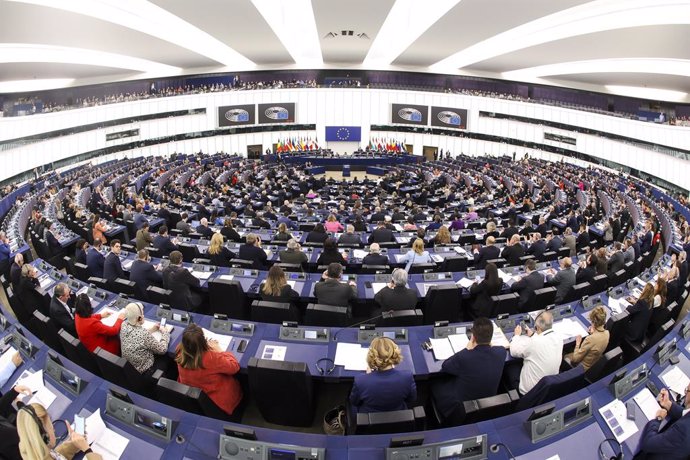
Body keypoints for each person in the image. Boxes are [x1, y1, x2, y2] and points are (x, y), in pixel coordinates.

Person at [431, 318, 507, 424]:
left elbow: (446, 366)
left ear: (473, 337)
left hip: (461, 408)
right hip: (487, 403)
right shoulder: (501, 352)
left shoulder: (465, 356)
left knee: (435, 384)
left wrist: (467, 348)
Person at [176, 323, 242, 416]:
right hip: (217, 400)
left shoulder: (179, 351)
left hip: (194, 397)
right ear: (203, 341)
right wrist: (219, 350)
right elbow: (234, 367)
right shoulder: (211, 358)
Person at [349, 337, 416, 414]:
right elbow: (411, 399)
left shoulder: (361, 381)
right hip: (399, 417)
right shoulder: (407, 377)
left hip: (370, 419)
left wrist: (368, 377)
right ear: (394, 354)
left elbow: (354, 402)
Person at [17, 403, 101, 460]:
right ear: (45, 437)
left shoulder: (33, 451)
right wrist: (87, 449)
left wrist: (73, 444)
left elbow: (53, 457)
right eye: (51, 426)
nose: (54, 429)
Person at [508, 310, 563, 395]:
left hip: (529, 393)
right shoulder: (558, 337)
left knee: (510, 367)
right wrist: (533, 335)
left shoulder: (534, 342)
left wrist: (516, 336)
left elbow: (513, 351)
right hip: (547, 389)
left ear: (537, 327)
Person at [634, 384, 690, 459]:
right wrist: (668, 404)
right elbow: (686, 414)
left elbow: (648, 444)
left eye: (687, 390)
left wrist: (658, 419)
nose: (685, 393)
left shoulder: (682, 430)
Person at [120, 302, 172, 376]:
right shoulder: (143, 334)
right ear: (139, 318)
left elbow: (135, 334)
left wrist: (151, 329)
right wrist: (165, 333)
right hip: (146, 372)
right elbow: (162, 349)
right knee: (167, 359)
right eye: (142, 313)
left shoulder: (124, 324)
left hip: (131, 369)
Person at [564, 305, 609, 371]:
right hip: (594, 363)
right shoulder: (607, 333)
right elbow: (597, 340)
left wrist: (578, 343)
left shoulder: (590, 339)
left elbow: (575, 359)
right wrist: (594, 331)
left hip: (583, 368)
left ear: (593, 321)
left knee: (565, 356)